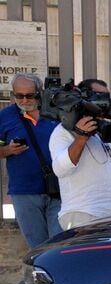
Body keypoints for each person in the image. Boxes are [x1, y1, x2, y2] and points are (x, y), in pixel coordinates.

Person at [49, 79, 111, 229]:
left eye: (106, 96)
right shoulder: (62, 132)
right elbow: (60, 169)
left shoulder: (101, 127)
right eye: (99, 96)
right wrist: (81, 137)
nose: (104, 101)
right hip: (81, 214)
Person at [0, 73, 62, 247]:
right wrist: (8, 149)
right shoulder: (5, 117)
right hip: (25, 192)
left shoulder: (56, 113)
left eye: (30, 95)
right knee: (38, 247)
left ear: (39, 92)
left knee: (60, 245)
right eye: (19, 95)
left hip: (61, 189)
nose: (25, 100)